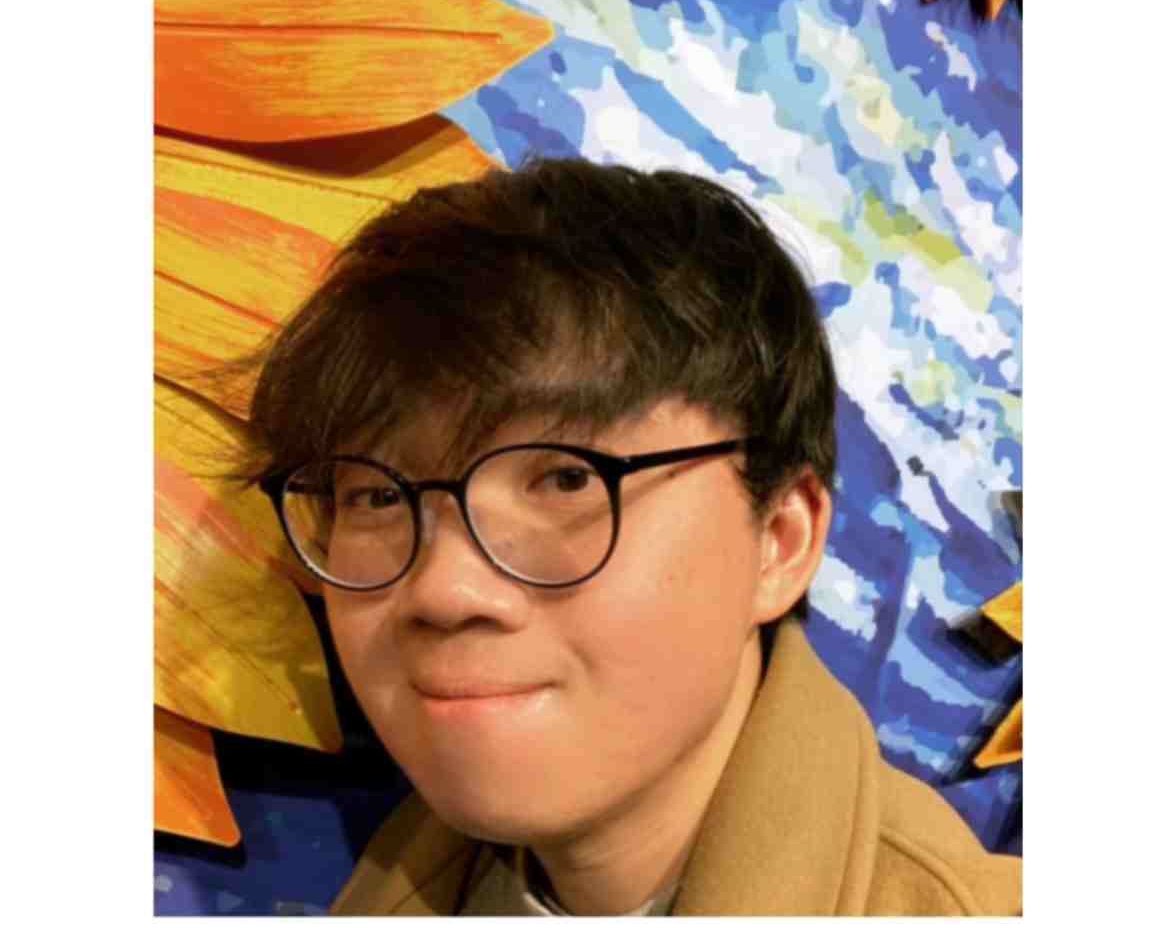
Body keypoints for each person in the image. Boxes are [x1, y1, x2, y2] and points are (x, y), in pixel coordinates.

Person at [243, 158, 1022, 916]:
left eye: (566, 480)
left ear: (780, 541)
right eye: (378, 495)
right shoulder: (397, 885)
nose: (444, 590)